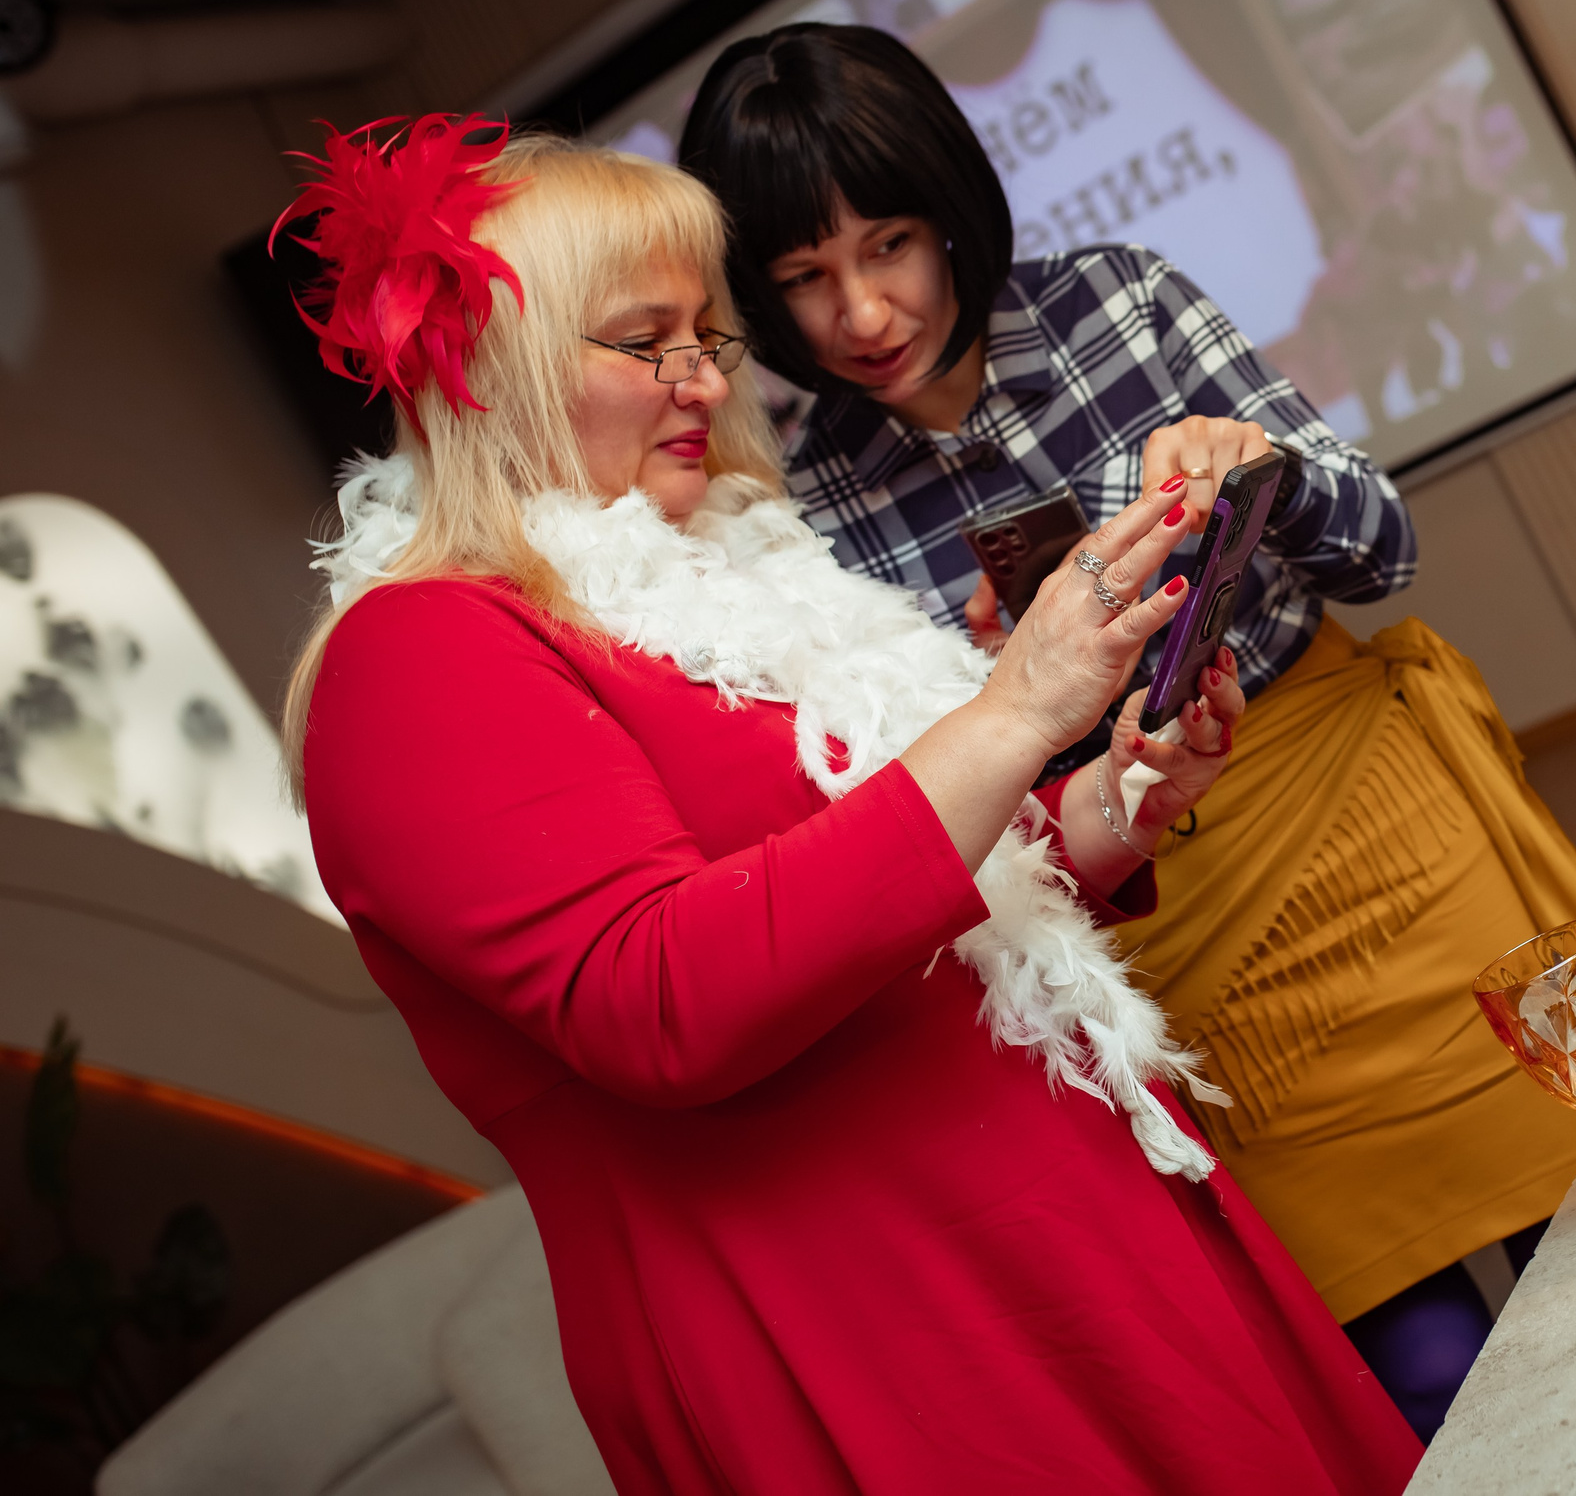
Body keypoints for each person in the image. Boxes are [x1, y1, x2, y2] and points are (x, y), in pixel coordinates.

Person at [281, 118, 1421, 1494]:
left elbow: (903, 913)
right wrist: (1016, 710)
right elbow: (662, 995)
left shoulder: (722, 573)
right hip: (880, 1312)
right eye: (649, 341)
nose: (705, 375)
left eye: (711, 331)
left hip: (1067, 1222)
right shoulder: (416, 654)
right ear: (488, 365)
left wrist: (1113, 806)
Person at [676, 24, 1576, 1440]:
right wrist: (992, 708)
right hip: (1153, 925)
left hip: (1378, 837)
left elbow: (1386, 550)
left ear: (954, 209)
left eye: (892, 244)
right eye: (804, 279)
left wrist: (1269, 472)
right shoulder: (817, 510)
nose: (862, 314)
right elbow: (920, 820)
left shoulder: (1123, 304)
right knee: (1422, 1375)